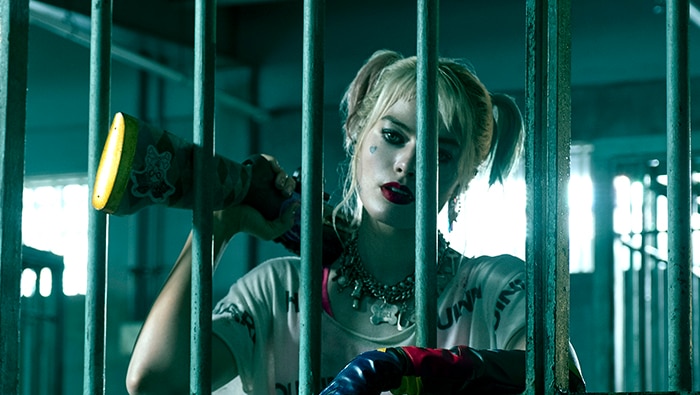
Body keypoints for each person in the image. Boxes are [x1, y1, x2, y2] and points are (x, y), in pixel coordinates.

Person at [125, 49, 585, 395]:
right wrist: (215, 225)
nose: (407, 163)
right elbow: (153, 380)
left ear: (460, 181)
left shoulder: (494, 289)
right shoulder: (280, 291)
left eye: (440, 154)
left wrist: (406, 366)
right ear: (355, 134)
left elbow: (561, 376)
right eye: (392, 136)